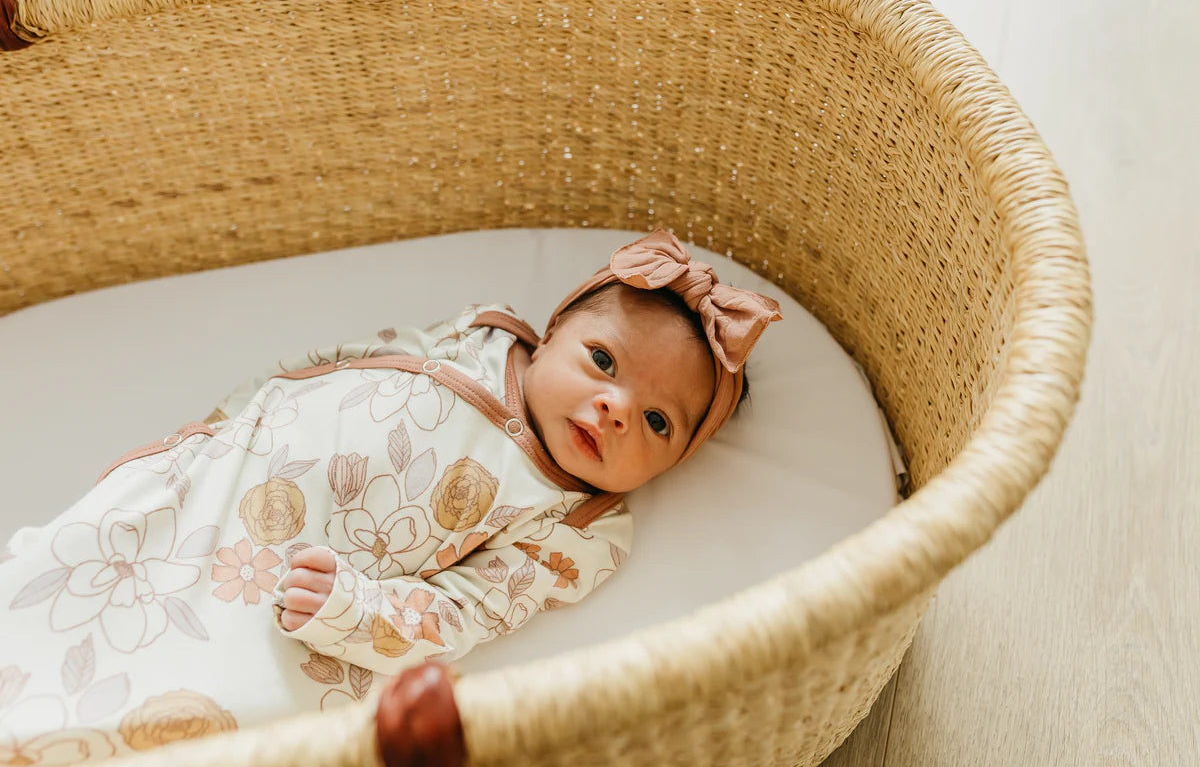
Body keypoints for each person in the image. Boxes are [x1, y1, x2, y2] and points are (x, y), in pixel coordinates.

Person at [0, 228, 780, 763]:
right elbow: (342, 365)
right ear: (550, 334)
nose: (614, 408)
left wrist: (354, 608)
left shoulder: (580, 524)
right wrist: (237, 425)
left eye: (655, 420)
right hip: (216, 488)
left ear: (671, 463)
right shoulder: (480, 336)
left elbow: (465, 614)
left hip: (299, 601)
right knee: (64, 572)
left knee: (165, 720)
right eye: (603, 360)